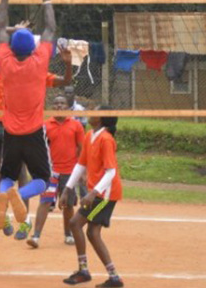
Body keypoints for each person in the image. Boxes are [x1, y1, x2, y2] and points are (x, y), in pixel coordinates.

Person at [0, 22, 73, 238]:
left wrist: (12, 30)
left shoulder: (5, 61)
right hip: (17, 124)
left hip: (1, 122)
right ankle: (17, 219)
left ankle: (15, 218)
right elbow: (66, 80)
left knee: (4, 173)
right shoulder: (32, 67)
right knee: (24, 175)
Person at [0, 0, 57, 239]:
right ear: (33, 48)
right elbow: (50, 28)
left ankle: (6, 193)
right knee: (42, 180)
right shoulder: (40, 61)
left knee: (6, 173)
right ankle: (19, 193)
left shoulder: (5, 60)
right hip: (32, 133)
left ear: (12, 47)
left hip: (10, 132)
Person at [63, 106, 124, 287]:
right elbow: (80, 165)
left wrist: (93, 193)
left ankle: (86, 271)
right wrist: (67, 188)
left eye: (95, 110)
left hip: (105, 194)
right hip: (98, 192)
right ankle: (113, 277)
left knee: (76, 224)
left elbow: (111, 172)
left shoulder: (105, 139)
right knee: (92, 232)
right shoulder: (90, 135)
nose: (90, 111)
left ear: (102, 118)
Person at [27, 94, 84, 249]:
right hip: (51, 172)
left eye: (62, 103)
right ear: (53, 107)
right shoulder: (46, 125)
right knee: (45, 201)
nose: (59, 106)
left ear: (68, 107)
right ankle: (36, 236)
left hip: (70, 172)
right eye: (56, 103)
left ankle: (68, 234)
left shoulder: (76, 125)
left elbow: (81, 149)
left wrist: (81, 171)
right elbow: (39, 148)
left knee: (68, 205)